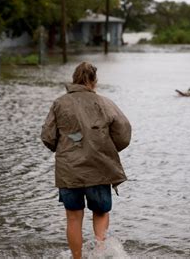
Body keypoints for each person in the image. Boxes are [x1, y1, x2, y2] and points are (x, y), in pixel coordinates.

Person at [41, 62, 131, 258]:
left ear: (74, 79)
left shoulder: (59, 104)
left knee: (73, 218)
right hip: (99, 168)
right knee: (100, 213)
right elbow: (124, 133)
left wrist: (66, 149)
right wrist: (106, 149)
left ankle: (77, 257)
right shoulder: (105, 103)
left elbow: (48, 137)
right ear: (94, 81)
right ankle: (100, 253)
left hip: (69, 171)